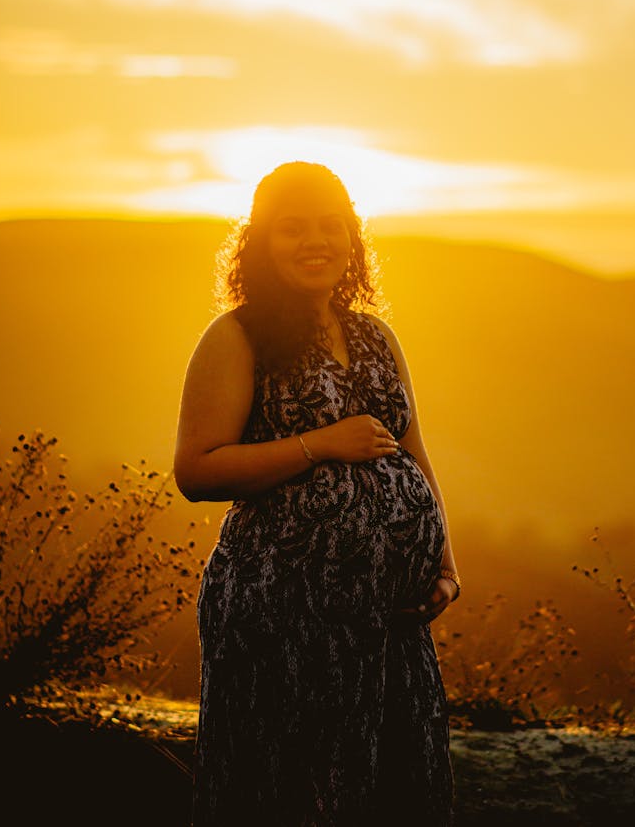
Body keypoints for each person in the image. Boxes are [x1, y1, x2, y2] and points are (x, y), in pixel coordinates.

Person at [174, 161, 461, 827]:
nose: (315, 241)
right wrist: (319, 443)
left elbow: (413, 454)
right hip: (281, 619)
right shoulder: (237, 337)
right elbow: (196, 469)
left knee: (398, 784)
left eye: (331, 226)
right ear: (260, 242)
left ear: (352, 237)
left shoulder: (376, 336)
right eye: (292, 228)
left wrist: (445, 560)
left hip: (390, 623)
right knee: (289, 792)